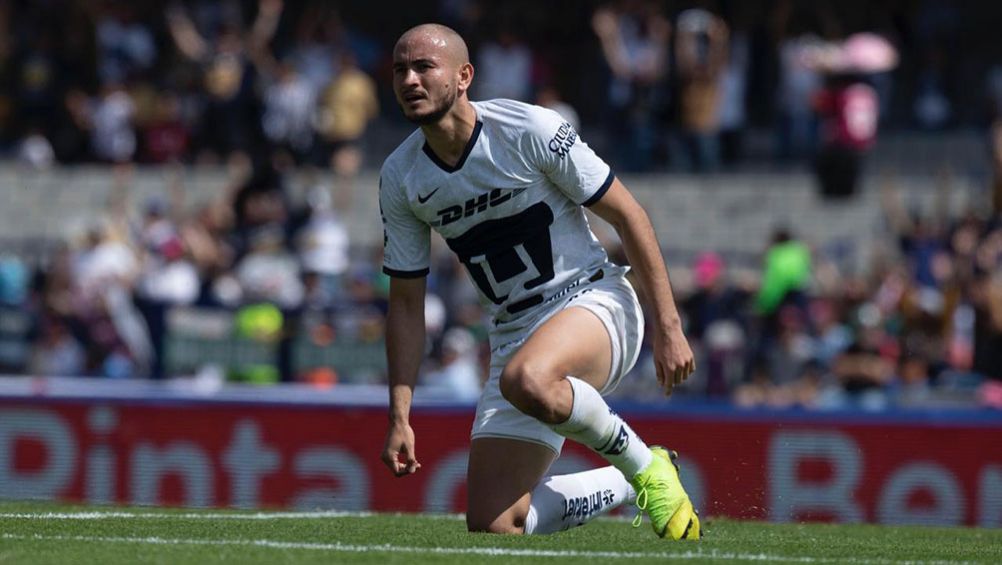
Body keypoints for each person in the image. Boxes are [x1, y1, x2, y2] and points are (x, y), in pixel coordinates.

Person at [378, 24, 700, 539]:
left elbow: (630, 216)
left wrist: (669, 326)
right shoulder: (401, 176)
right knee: (496, 523)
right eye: (400, 69)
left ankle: (645, 469)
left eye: (424, 68)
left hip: (595, 301)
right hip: (514, 338)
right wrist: (400, 414)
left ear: (463, 77)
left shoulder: (528, 128)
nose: (410, 80)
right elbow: (406, 303)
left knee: (527, 378)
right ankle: (636, 473)